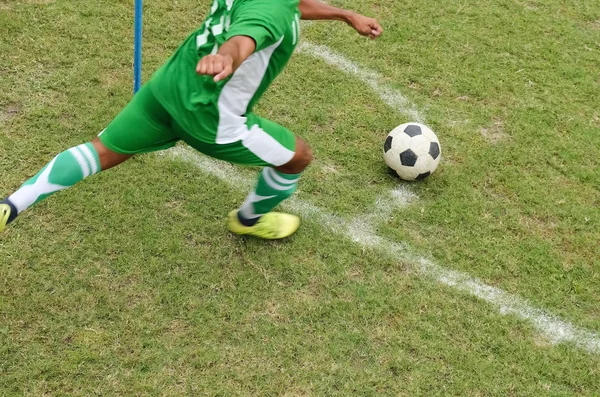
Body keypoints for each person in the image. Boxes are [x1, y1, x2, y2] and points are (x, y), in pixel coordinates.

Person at [0, 0, 382, 239]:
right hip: (211, 119)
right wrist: (228, 58)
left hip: (165, 90)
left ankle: (11, 205)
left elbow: (293, 5)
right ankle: (248, 221)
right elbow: (246, 36)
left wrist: (345, 14)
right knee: (298, 156)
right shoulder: (271, 11)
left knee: (100, 151)